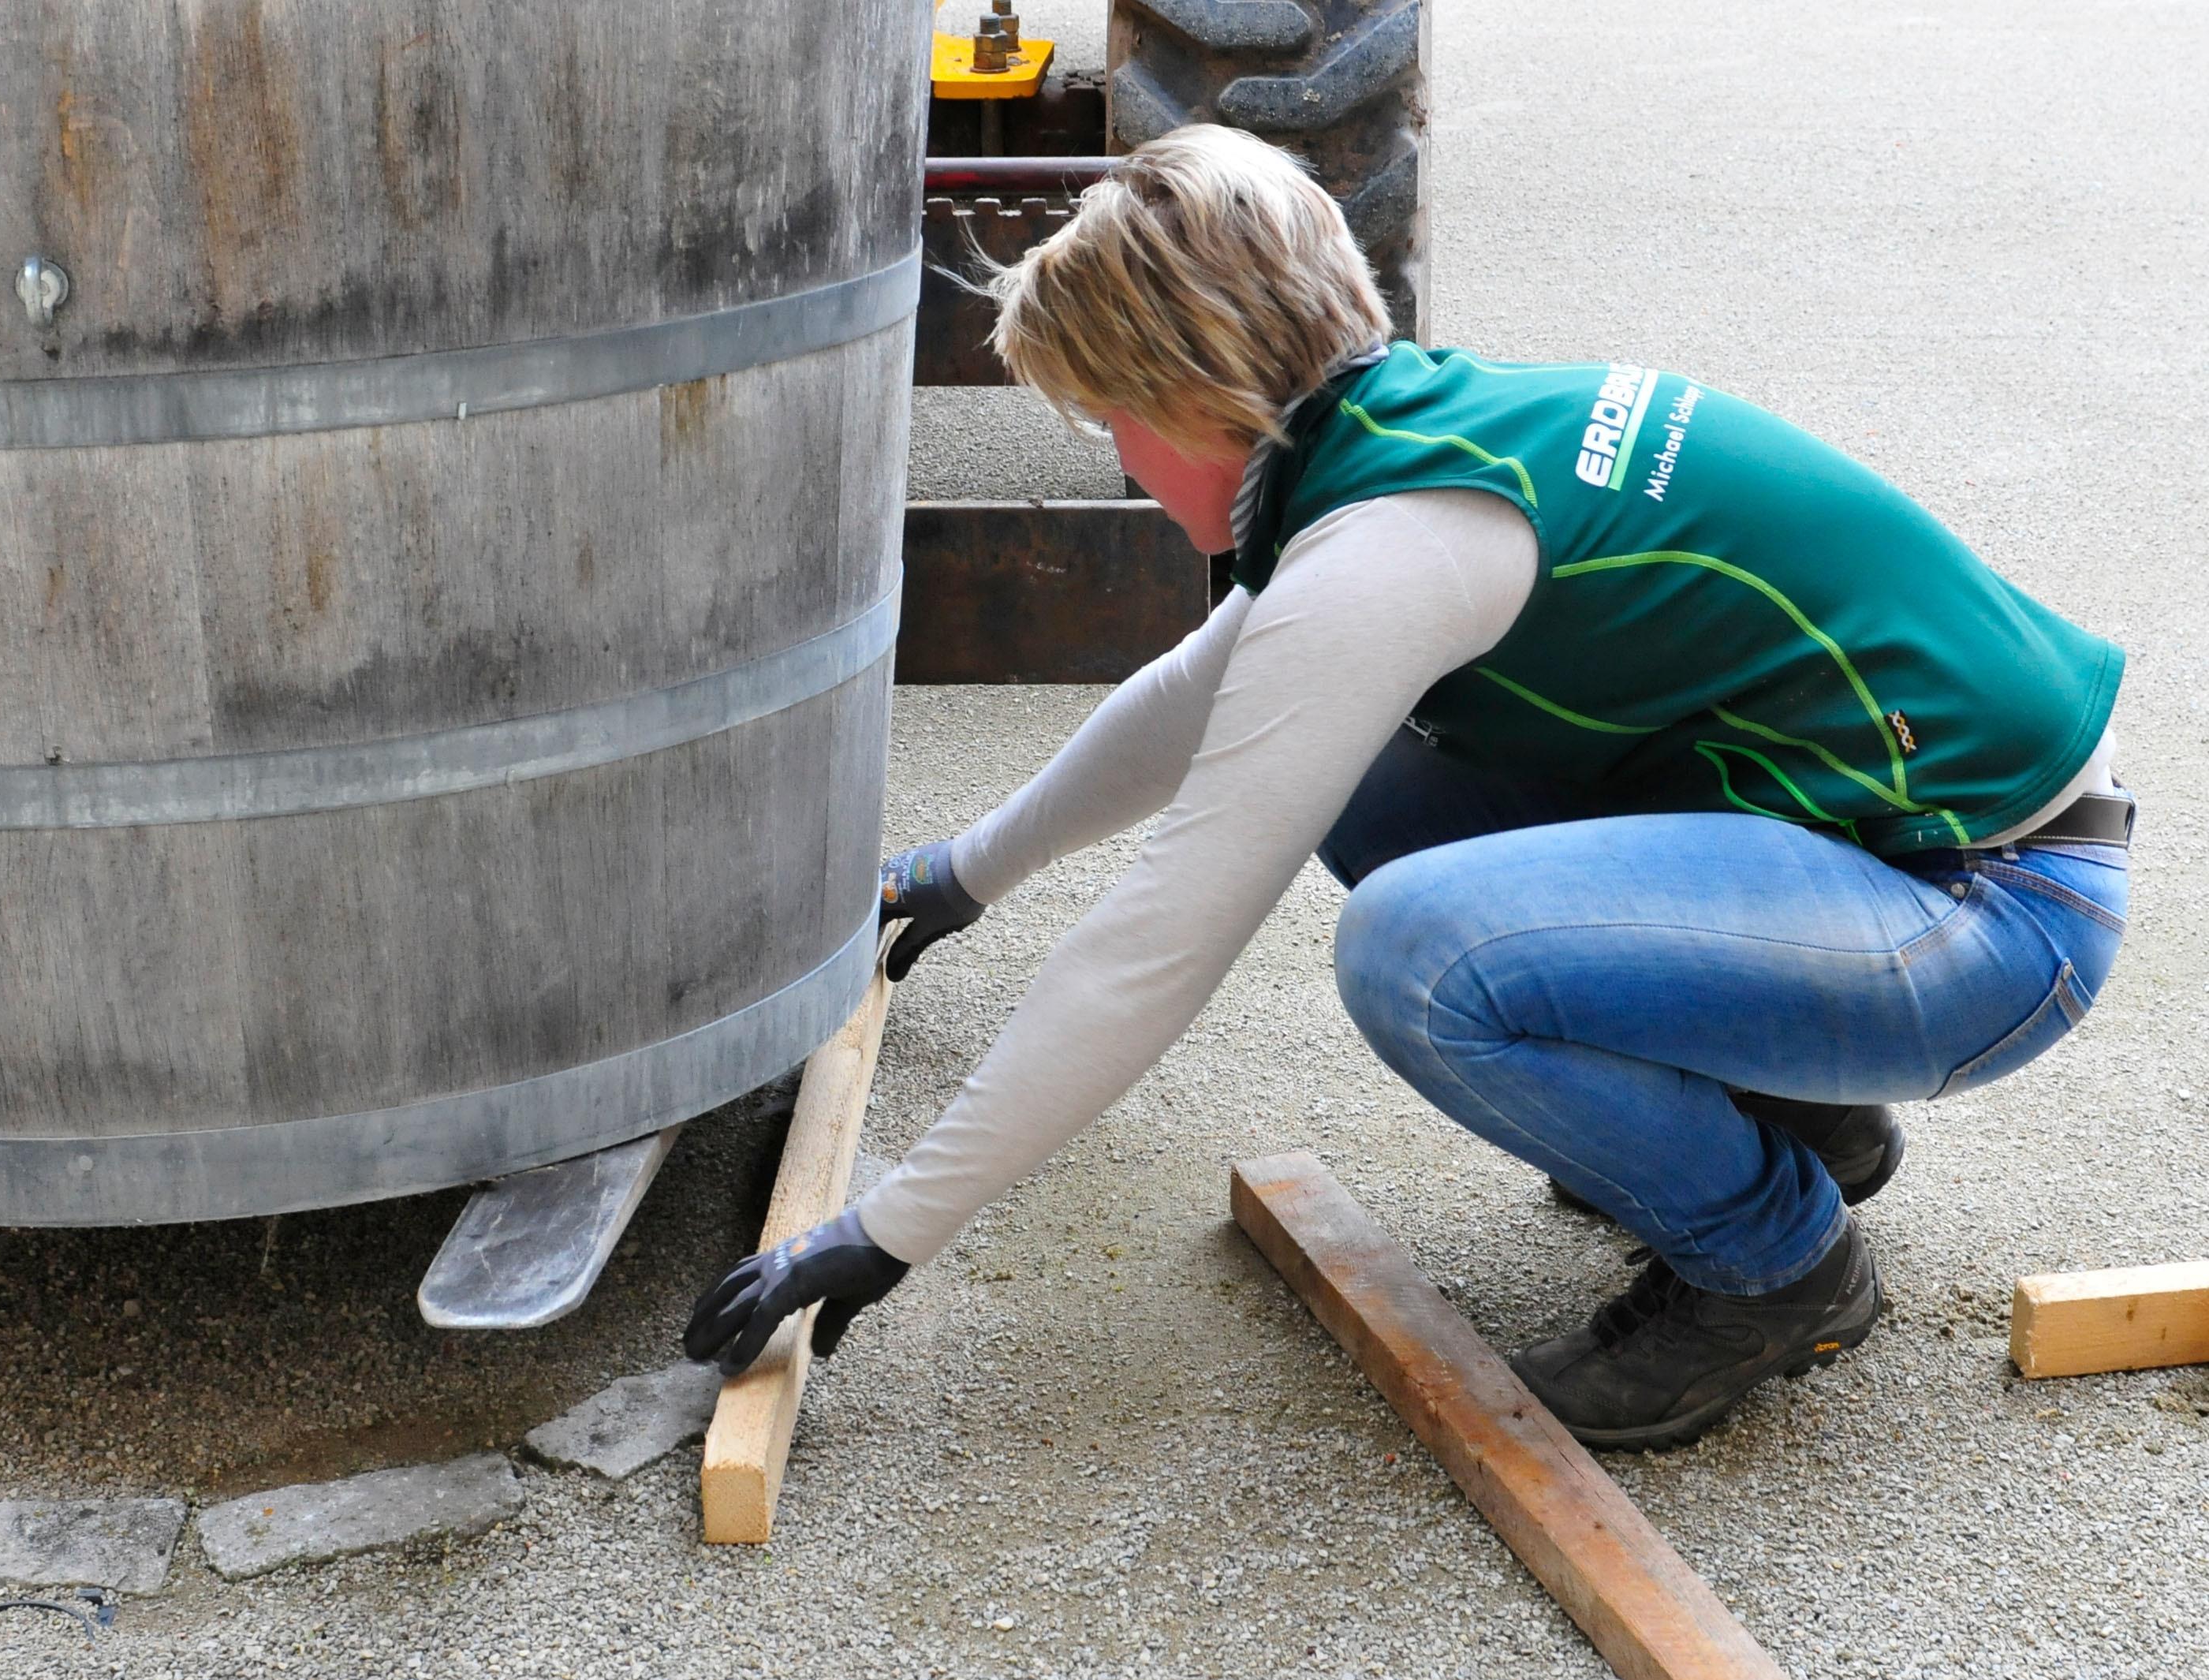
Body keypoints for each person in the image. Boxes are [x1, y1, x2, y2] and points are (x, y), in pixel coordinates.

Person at [684, 125, 2131, 1450]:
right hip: (1903, 852)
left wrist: (889, 1226)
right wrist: (962, 874)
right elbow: (1199, 697)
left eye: (1108, 420)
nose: (1118, 458)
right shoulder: (1411, 436)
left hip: (1991, 916)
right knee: (1375, 784)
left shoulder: (1398, 548)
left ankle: (1779, 1266)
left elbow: (1158, 943)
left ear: (1187, 399)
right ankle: (1801, 1109)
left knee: (1420, 953)